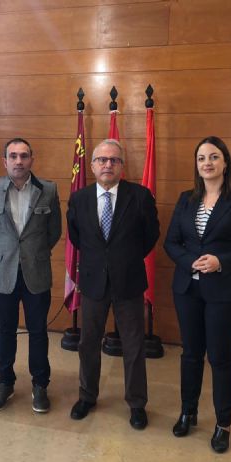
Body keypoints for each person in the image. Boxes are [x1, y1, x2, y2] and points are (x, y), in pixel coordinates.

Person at [163, 136, 231, 453]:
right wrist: (186, 260)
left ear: (225, 163)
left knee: (220, 358)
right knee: (191, 353)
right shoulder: (185, 199)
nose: (207, 163)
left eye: (214, 157)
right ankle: (188, 412)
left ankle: (223, 424)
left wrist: (223, 261)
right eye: (201, 158)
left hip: (225, 292)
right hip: (187, 288)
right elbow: (172, 243)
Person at [66, 138, 159, 429]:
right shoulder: (79, 198)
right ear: (92, 165)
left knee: (133, 345)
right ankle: (87, 396)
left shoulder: (141, 196)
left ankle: (136, 403)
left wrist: (123, 259)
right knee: (88, 343)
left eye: (114, 160)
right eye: (102, 160)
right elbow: (76, 237)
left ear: (122, 165)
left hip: (129, 280)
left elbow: (150, 236)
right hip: (93, 281)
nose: (108, 164)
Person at [0, 137, 62, 413]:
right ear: (5, 161)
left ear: (31, 160)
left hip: (36, 272)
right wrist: (4, 253)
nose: (18, 161)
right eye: (13, 156)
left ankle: (40, 385)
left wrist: (31, 253)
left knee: (38, 331)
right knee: (5, 330)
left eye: (24, 156)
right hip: (2, 273)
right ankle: (5, 383)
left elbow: (54, 232)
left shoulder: (47, 189)